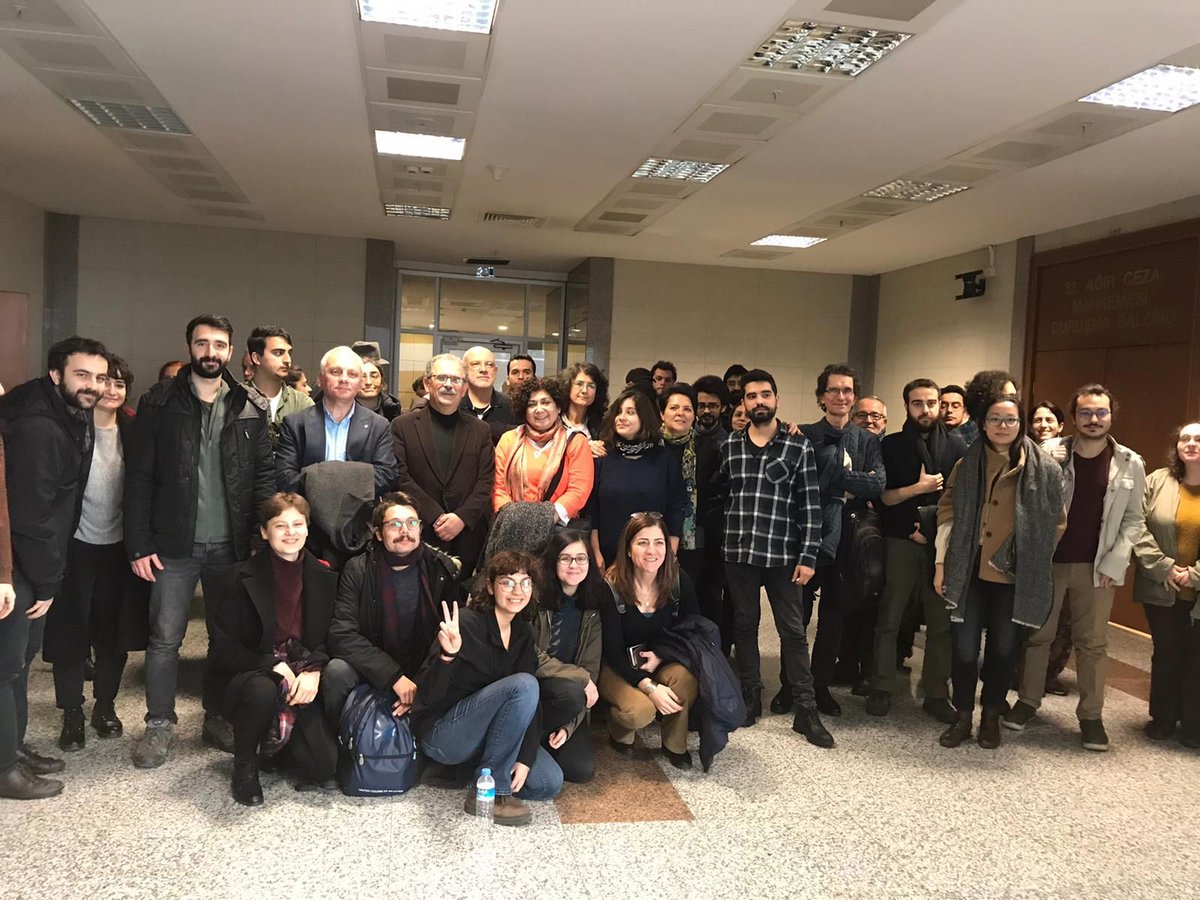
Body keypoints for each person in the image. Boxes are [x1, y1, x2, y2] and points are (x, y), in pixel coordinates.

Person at [125, 314, 275, 768]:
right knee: (164, 639)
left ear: (231, 351)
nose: (210, 352)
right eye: (202, 343)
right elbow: (139, 477)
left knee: (224, 640)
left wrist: (261, 538)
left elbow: (263, 479)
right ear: (190, 346)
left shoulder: (250, 405)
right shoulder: (158, 402)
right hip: (173, 545)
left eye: (219, 344)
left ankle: (217, 716)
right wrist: (138, 543)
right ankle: (158, 724)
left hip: (231, 546)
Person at [1005, 385, 1145, 751]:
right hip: (1049, 562)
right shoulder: (1048, 452)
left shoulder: (1129, 462)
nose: (1093, 419)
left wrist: (1116, 561)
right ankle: (1028, 701)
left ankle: (1091, 717)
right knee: (1038, 636)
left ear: (1111, 416)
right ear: (1074, 417)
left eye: (1100, 412)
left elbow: (1134, 519)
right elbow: (1025, 500)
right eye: (1085, 412)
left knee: (1092, 643)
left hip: (1097, 567)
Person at [0, 336, 109, 799]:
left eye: (99, 377)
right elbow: (32, 513)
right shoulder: (38, 425)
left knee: (19, 663)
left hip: (32, 560)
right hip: (18, 565)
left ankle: (12, 748)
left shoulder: (63, 408)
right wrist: (46, 581)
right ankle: (5, 770)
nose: (93, 385)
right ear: (56, 374)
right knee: (6, 666)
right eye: (82, 375)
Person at [934, 394, 1066, 750]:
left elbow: (1055, 523)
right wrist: (941, 563)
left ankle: (991, 716)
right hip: (968, 569)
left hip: (1012, 575)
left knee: (1003, 650)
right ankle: (963, 716)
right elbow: (947, 510)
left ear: (1021, 424)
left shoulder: (1045, 470)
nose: (1003, 426)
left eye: (1010, 419)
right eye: (995, 419)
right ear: (983, 423)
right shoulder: (967, 463)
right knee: (964, 650)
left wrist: (1025, 556)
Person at [713, 368, 833, 748]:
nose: (759, 401)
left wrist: (809, 556)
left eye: (765, 394)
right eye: (751, 396)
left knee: (793, 632)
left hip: (783, 555)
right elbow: (721, 495)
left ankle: (805, 708)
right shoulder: (730, 446)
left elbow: (811, 506)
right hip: (739, 553)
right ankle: (751, 694)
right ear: (743, 403)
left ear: (777, 399)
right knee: (745, 625)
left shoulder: (797, 446)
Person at [412, 551, 565, 827]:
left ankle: (479, 770)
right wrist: (447, 656)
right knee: (523, 685)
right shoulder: (466, 623)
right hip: (445, 733)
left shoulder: (522, 631)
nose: (518, 591)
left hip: (491, 735)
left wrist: (526, 758)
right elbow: (427, 695)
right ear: (491, 587)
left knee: (547, 782)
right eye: (507, 582)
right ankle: (491, 795)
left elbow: (532, 703)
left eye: (525, 582)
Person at [43, 356, 148, 752]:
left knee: (113, 635)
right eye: (106, 381)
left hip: (120, 550)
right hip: (74, 548)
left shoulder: (135, 432)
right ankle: (72, 711)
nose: (112, 390)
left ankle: (105, 706)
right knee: (69, 634)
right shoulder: (71, 427)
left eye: (120, 384)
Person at [210, 493, 339, 806]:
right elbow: (223, 649)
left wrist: (315, 670)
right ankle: (245, 766)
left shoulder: (324, 575)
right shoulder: (238, 577)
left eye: (298, 524)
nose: (290, 532)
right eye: (280, 525)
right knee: (262, 691)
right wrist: (271, 663)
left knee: (324, 767)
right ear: (265, 532)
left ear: (308, 529)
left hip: (302, 667)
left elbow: (332, 635)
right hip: (251, 672)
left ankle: (279, 746)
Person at [867, 378, 965, 722]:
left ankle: (936, 693)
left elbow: (962, 501)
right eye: (917, 403)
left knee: (941, 624)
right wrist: (917, 492)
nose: (926, 410)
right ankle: (881, 685)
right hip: (901, 541)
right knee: (889, 617)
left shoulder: (957, 447)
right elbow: (884, 497)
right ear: (907, 406)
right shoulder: (891, 446)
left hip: (942, 547)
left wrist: (933, 531)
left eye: (931, 403)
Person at [324, 492, 461, 733]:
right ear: (378, 533)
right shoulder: (358, 569)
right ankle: (341, 740)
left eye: (411, 523)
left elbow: (448, 635)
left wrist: (420, 684)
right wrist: (393, 676)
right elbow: (341, 635)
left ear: (420, 529)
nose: (404, 531)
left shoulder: (440, 569)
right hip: (373, 666)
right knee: (337, 671)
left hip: (422, 667)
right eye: (394, 524)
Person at [795, 364, 885, 718]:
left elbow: (877, 484)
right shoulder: (804, 434)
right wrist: (848, 483)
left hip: (847, 538)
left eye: (847, 390)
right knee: (797, 618)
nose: (841, 396)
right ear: (821, 396)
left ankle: (820, 687)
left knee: (832, 620)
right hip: (806, 533)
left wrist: (831, 477)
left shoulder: (868, 440)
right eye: (833, 390)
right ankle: (792, 685)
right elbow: (797, 483)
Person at [598, 513, 700, 768]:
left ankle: (675, 745)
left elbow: (692, 630)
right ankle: (617, 726)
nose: (652, 551)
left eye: (659, 542)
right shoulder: (610, 587)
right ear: (628, 549)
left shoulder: (678, 581)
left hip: (660, 659)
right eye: (642, 543)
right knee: (640, 711)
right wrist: (648, 686)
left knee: (685, 680)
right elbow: (611, 650)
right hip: (617, 665)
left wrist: (662, 655)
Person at [391, 354, 494, 580]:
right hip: (419, 532)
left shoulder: (480, 430)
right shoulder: (402, 426)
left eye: (456, 379)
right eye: (442, 378)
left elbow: (486, 481)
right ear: (427, 383)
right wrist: (435, 515)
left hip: (466, 537)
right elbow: (400, 476)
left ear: (464, 387)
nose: (449, 385)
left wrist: (461, 518)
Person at [1133, 421, 1200, 748]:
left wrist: (1195, 575)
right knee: (1167, 653)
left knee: (1197, 658)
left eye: (1199, 439)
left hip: (1197, 589)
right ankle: (1162, 718)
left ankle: (1194, 725)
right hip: (1162, 586)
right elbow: (1136, 526)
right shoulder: (1156, 481)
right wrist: (1163, 567)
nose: (1191, 444)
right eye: (1185, 438)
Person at [276, 345, 397, 497]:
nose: (344, 379)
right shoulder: (295, 424)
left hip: (359, 508)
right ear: (320, 379)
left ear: (360, 382)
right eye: (335, 372)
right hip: (307, 509)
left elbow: (386, 475)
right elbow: (285, 477)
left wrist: (325, 482)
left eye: (352, 374)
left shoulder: (378, 426)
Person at [530, 531, 603, 783]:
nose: (574, 565)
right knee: (572, 692)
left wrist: (568, 725)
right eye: (565, 558)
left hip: (569, 703)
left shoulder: (591, 609)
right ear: (553, 560)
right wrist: (580, 677)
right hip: (535, 687)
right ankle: (525, 736)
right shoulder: (534, 598)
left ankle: (541, 736)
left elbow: (591, 669)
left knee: (580, 771)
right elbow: (530, 655)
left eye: (581, 558)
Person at [588, 388, 687, 569]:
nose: (621, 417)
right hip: (608, 556)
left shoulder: (664, 458)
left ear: (644, 417)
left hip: (652, 559)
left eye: (630, 412)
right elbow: (592, 510)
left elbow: (676, 508)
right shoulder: (603, 456)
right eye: (619, 412)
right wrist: (595, 553)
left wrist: (670, 554)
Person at [493, 377, 594, 525]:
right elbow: (498, 488)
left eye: (546, 402)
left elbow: (578, 490)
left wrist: (543, 521)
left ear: (558, 407)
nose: (539, 410)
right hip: (512, 526)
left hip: (557, 529)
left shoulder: (576, 442)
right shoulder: (508, 440)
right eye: (531, 404)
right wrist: (513, 520)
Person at [660, 384, 719, 592]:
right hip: (654, 529)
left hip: (694, 534)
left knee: (689, 589)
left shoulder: (709, 448)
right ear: (662, 413)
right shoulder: (650, 446)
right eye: (674, 408)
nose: (680, 413)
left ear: (694, 415)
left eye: (687, 409)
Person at [692, 375, 733, 649]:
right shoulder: (685, 440)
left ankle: (715, 651)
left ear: (723, 408)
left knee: (713, 593)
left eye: (713, 406)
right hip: (687, 529)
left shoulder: (729, 444)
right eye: (702, 405)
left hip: (717, 531)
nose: (706, 411)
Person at [242, 325, 314, 445]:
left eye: (289, 353)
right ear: (256, 358)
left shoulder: (302, 404)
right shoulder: (237, 399)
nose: (287, 360)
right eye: (278, 353)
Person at [462, 346, 516, 445]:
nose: (483, 369)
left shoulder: (512, 405)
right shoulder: (453, 406)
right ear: (464, 370)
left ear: (495, 371)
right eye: (475, 364)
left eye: (489, 365)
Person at [561, 361, 609, 446]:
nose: (584, 390)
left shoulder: (601, 424)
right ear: (568, 386)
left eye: (591, 386)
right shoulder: (555, 420)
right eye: (579, 384)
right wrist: (586, 447)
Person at [357, 358, 403, 423]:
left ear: (382, 380)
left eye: (374, 376)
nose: (368, 382)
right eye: (362, 377)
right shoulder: (345, 412)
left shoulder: (394, 411)